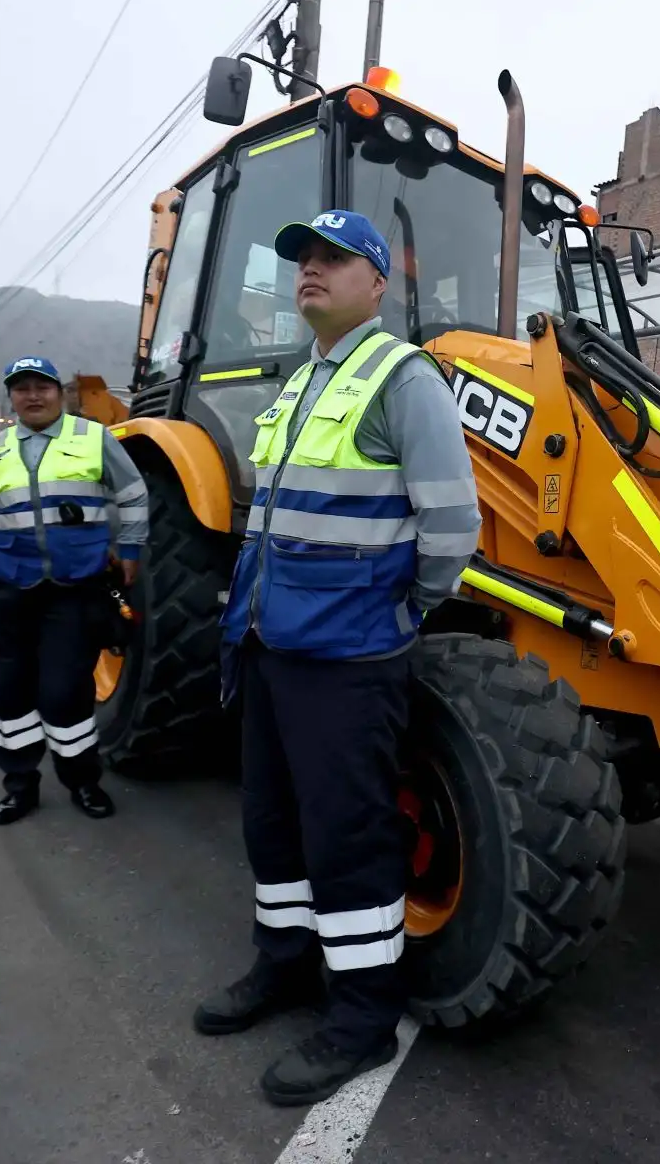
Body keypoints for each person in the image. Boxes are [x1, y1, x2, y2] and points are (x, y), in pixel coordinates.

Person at [196, 210, 480, 1106]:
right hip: (272, 645)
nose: (310, 272)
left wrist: (402, 603)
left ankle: (361, 1014)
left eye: (332, 258)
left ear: (376, 281)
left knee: (348, 837)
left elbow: (453, 525)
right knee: (273, 825)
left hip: (350, 657)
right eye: (302, 261)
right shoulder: (301, 383)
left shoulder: (403, 377)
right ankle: (284, 963)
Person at [0, 357, 147, 825]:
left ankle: (83, 781)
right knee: (9, 692)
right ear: (12, 397)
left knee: (65, 692)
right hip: (5, 586)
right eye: (22, 388)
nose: (32, 395)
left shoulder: (91, 438)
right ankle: (19, 786)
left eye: (41, 386)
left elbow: (133, 494)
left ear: (58, 393)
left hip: (74, 586)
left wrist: (129, 549)